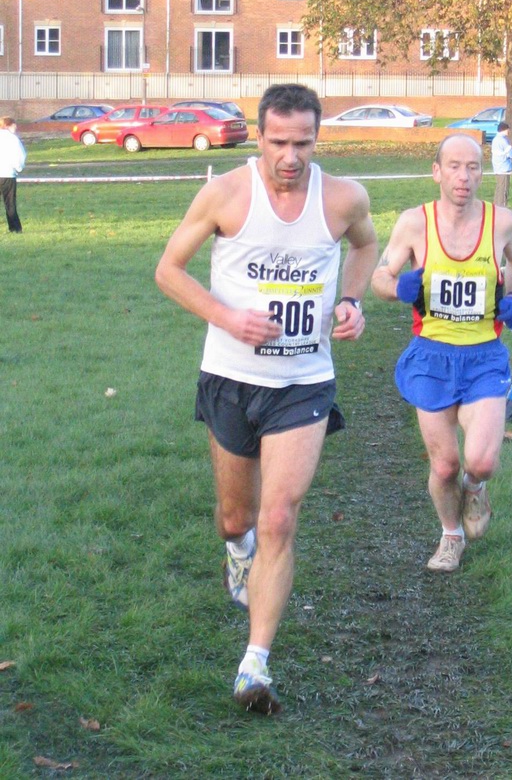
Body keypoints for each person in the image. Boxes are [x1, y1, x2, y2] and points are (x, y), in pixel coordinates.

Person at [155, 84, 378, 714]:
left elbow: (365, 245)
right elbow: (168, 270)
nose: (291, 156)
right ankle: (237, 552)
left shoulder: (343, 198)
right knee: (238, 519)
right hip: (230, 378)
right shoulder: (226, 194)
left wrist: (351, 300)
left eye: (303, 142)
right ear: (259, 137)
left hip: (303, 383)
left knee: (278, 517)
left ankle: (254, 665)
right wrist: (228, 318)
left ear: (317, 138)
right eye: (279, 142)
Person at [371, 134, 512, 573]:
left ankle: (475, 488)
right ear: (437, 172)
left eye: (473, 167)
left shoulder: (502, 222)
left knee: (481, 461)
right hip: (431, 357)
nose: (464, 176)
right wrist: (398, 288)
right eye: (455, 166)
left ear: (482, 173)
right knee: (444, 467)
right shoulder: (414, 223)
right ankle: (450, 536)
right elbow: (380, 277)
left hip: (483, 356)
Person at [0, 117, 27, 233]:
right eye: (14, 125)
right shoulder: (13, 139)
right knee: (10, 203)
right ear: (8, 125)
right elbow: (19, 155)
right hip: (7, 174)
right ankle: (15, 228)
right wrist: (18, 168)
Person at [491, 121, 512, 207]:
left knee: (499, 187)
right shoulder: (503, 141)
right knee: (504, 189)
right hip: (504, 167)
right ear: (504, 130)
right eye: (508, 130)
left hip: (497, 167)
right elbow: (511, 154)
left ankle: (496, 205)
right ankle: (502, 206)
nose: (509, 131)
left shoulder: (495, 140)